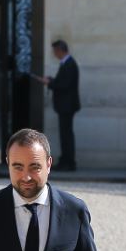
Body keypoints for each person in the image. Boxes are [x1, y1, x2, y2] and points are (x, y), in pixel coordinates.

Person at [39, 40, 81, 171]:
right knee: (65, 134)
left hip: (67, 105)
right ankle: (66, 160)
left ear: (60, 50)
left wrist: (49, 83)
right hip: (65, 105)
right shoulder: (66, 63)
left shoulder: (69, 64)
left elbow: (65, 85)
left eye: (55, 51)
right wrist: (51, 80)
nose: (54, 54)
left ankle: (68, 162)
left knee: (66, 134)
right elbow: (62, 81)